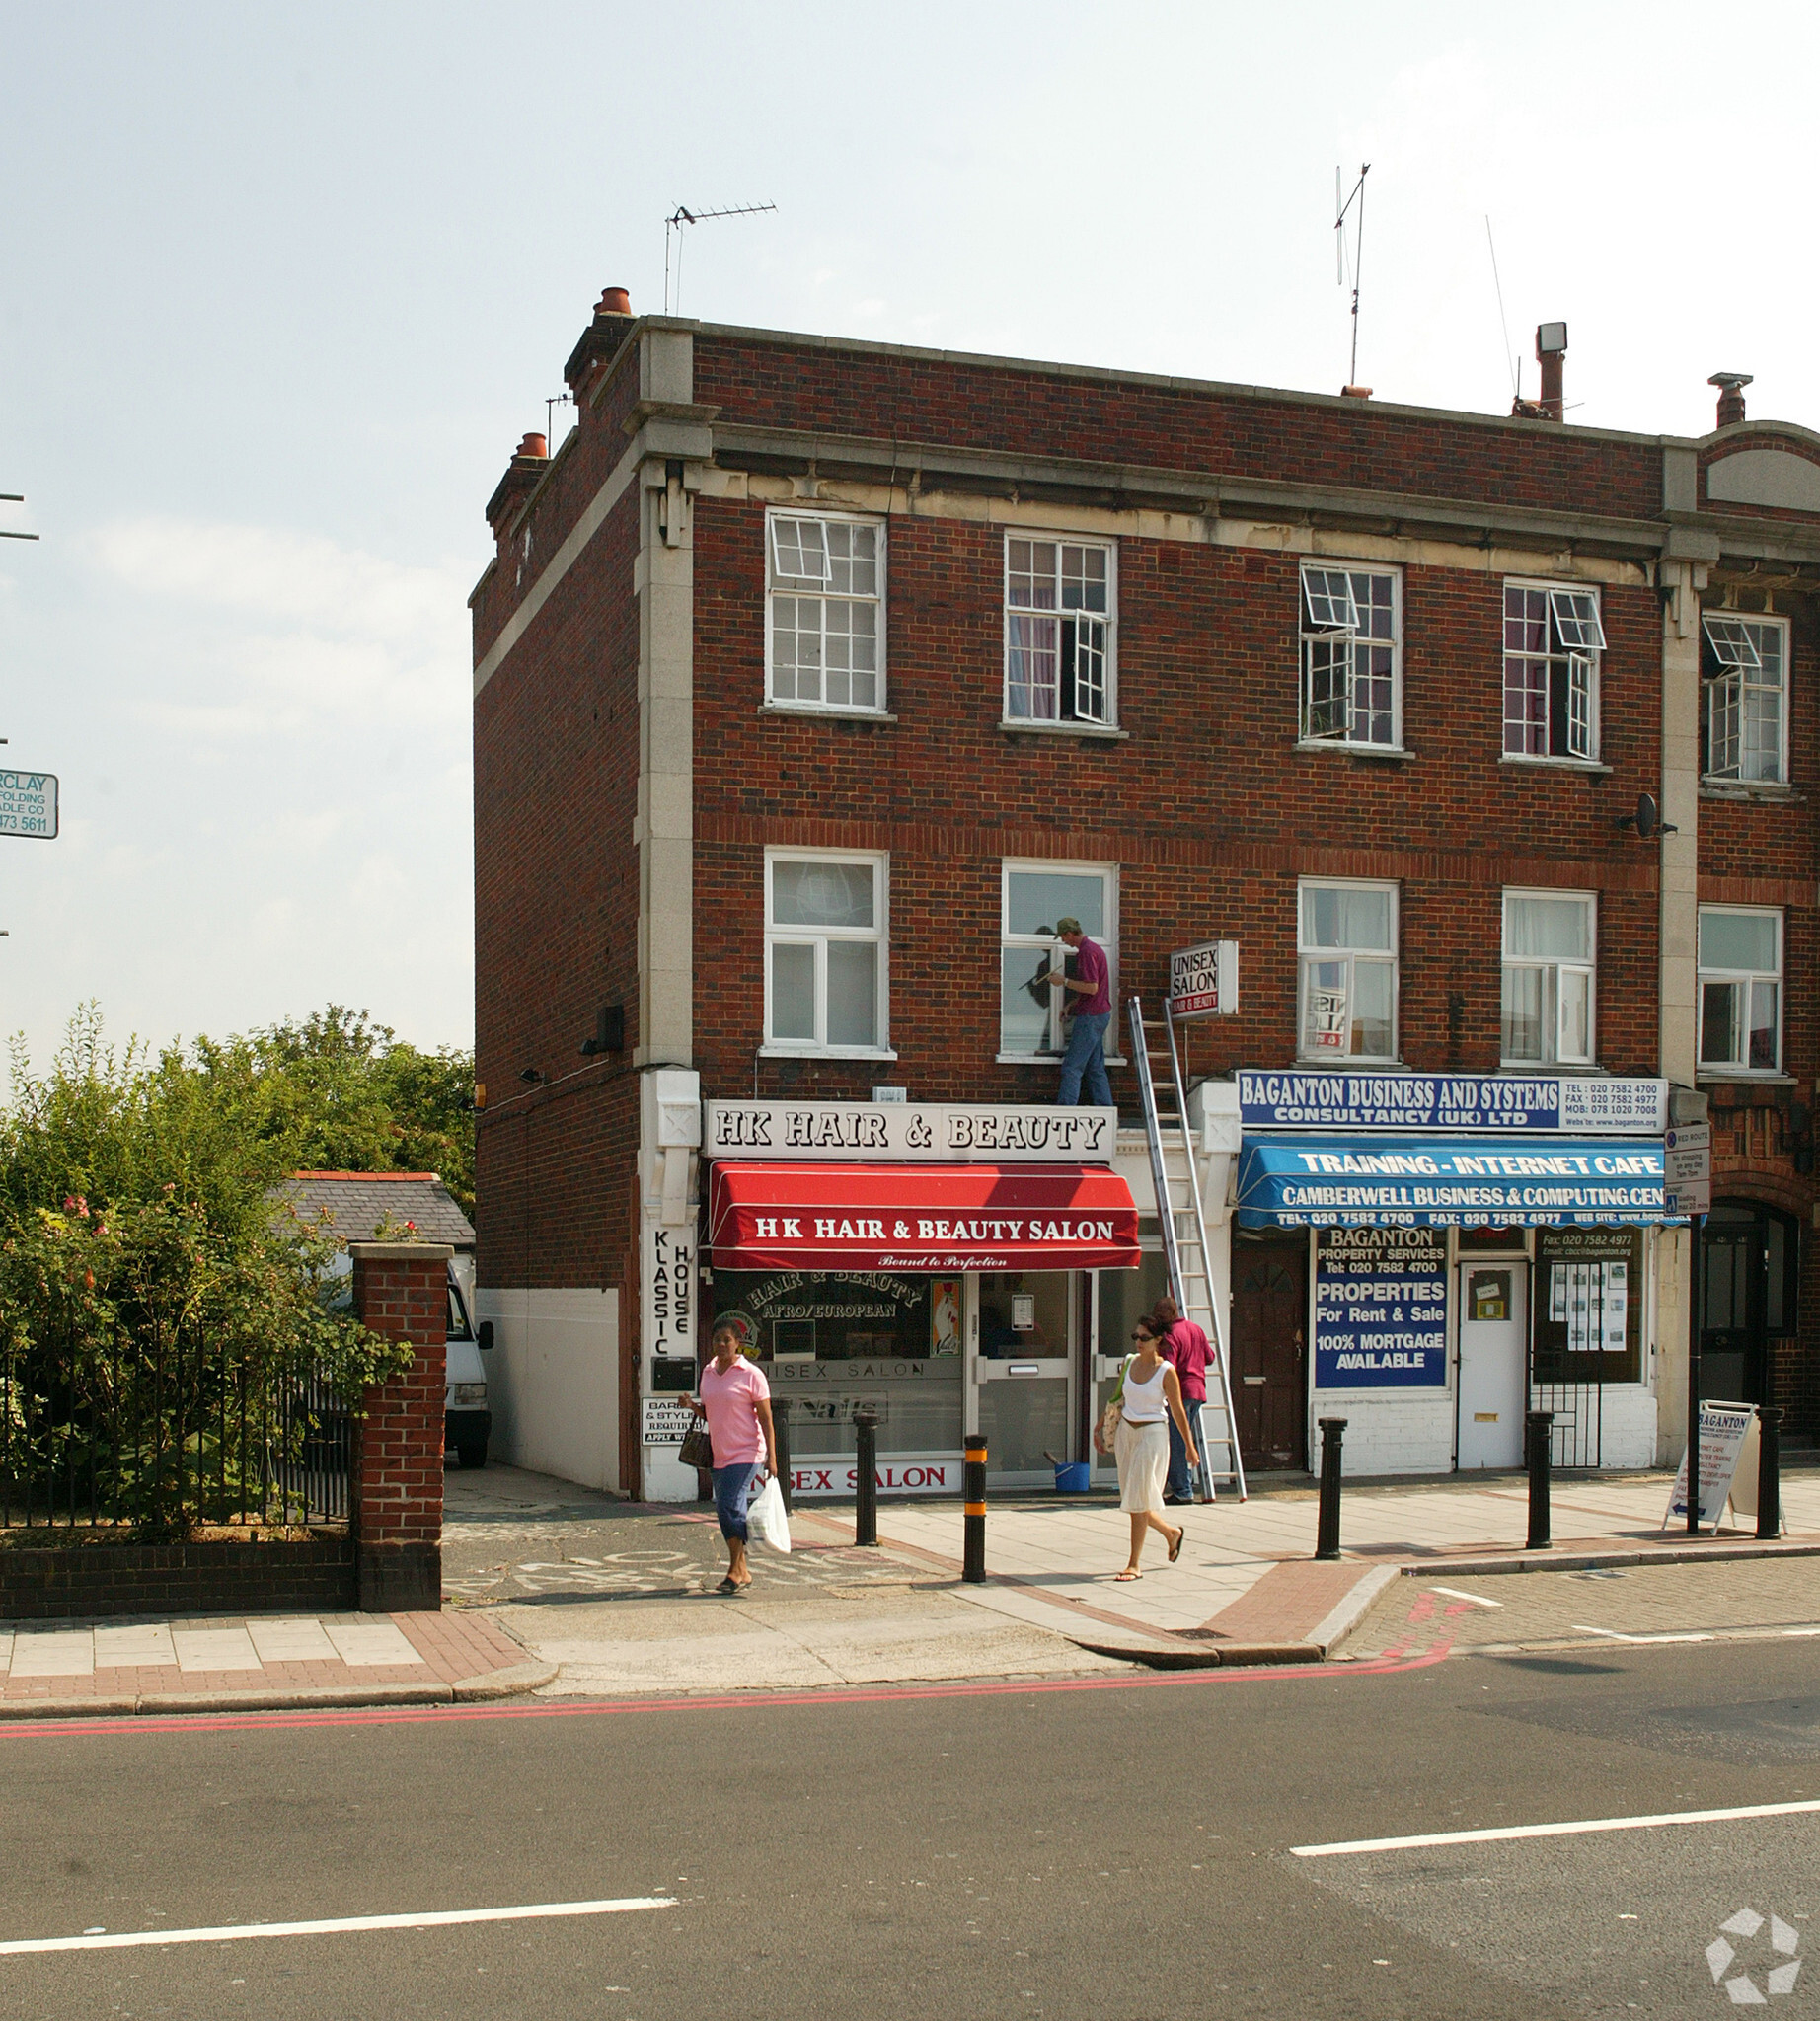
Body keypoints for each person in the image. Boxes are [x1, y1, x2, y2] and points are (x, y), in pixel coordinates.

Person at [688, 1311, 779, 1595]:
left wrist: (772, 1458)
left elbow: (766, 1419)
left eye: (727, 1340)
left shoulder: (752, 1375)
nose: (722, 1345)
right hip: (720, 1453)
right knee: (727, 1511)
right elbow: (713, 1413)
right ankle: (741, 1569)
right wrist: (692, 1407)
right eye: (717, 1340)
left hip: (747, 1452)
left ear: (738, 1343)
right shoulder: (708, 1373)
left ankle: (737, 1568)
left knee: (728, 1504)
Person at [1111, 1315, 1197, 1580]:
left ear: (1158, 1340)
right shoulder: (1128, 1362)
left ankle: (1134, 1564)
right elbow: (1118, 1397)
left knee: (1138, 1499)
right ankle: (1172, 1534)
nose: (1138, 1342)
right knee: (1134, 1499)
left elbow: (1179, 1410)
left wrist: (1189, 1446)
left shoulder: (1166, 1371)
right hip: (1127, 1432)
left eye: (1144, 1338)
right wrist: (1101, 1426)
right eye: (1135, 1337)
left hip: (1152, 1435)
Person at [1045, 916, 1112, 1106]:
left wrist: (1063, 981)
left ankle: (1065, 1114)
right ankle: (1106, 1111)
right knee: (1095, 1068)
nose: (1063, 941)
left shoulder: (1086, 952)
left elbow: (1091, 988)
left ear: (1069, 934)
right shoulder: (1094, 949)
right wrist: (1071, 1006)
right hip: (1099, 1014)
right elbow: (1092, 990)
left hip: (1090, 1017)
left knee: (1072, 1067)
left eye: (1063, 937)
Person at [1154, 1295, 1214, 1505]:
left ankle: (1182, 1490)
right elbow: (1210, 1357)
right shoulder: (1196, 1329)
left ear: (1170, 1315)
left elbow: (1167, 1367)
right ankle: (1186, 1484)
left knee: (1177, 1441)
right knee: (1186, 1438)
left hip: (1180, 1391)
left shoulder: (1170, 1336)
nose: (1159, 1320)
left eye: (1160, 1316)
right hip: (1198, 1390)